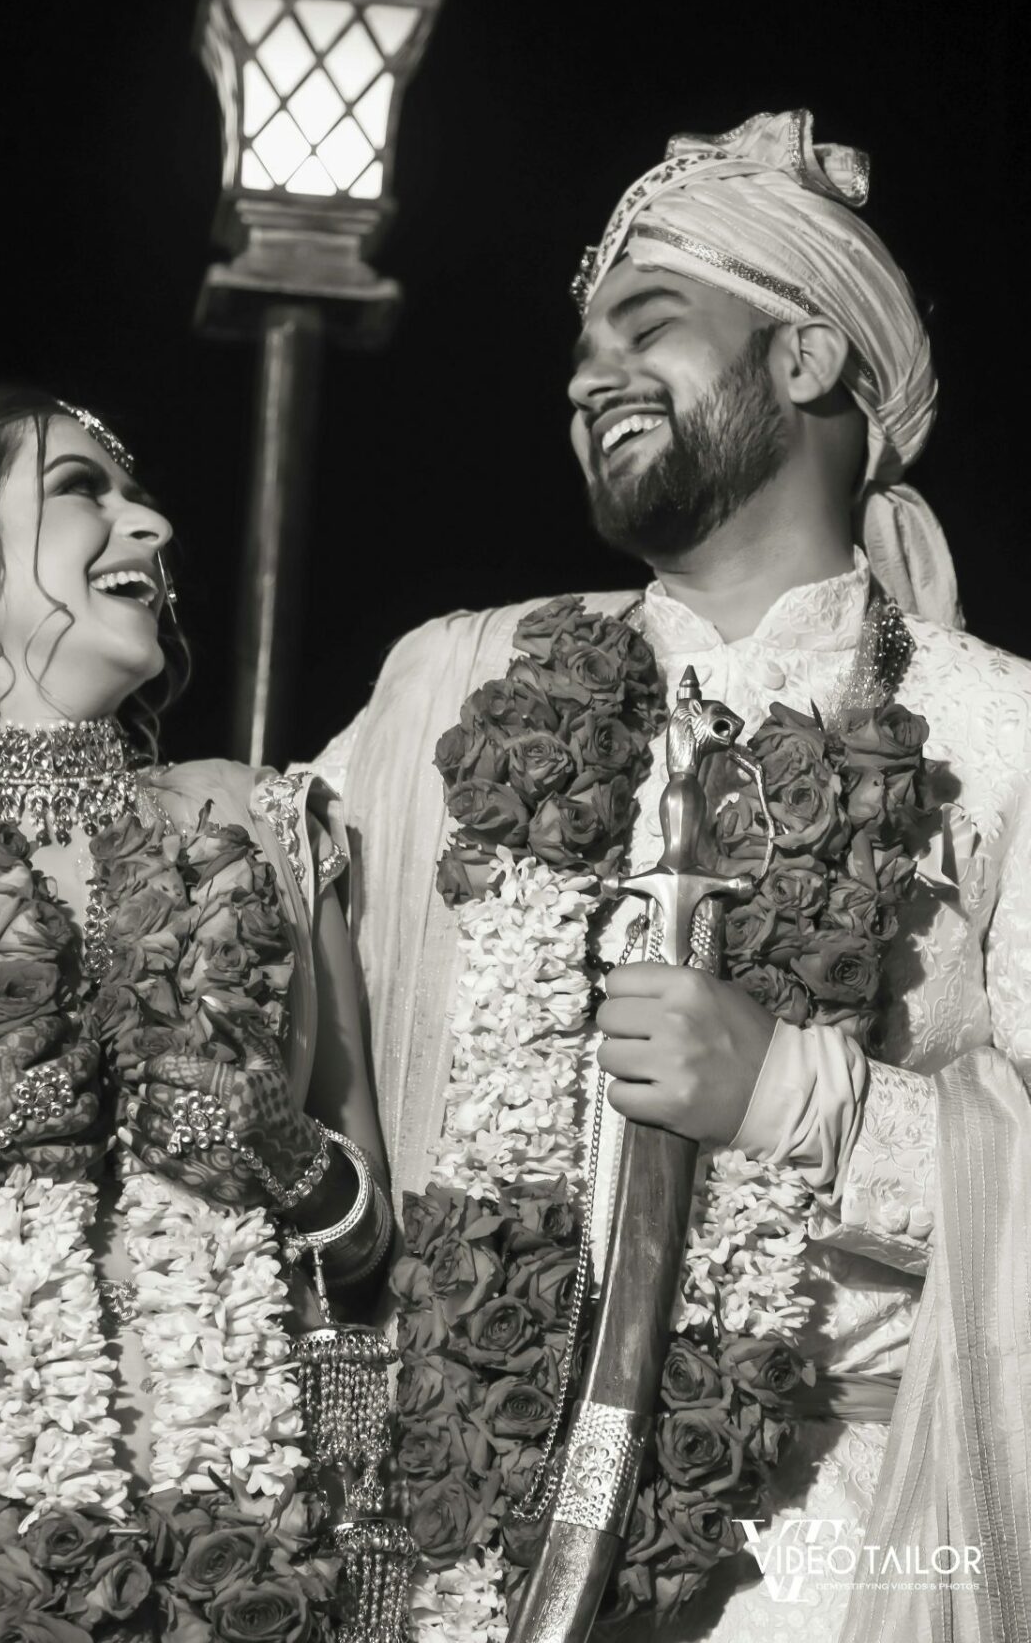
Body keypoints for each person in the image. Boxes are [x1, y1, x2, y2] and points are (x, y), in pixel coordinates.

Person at [311, 112, 1030, 1641]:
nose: (583, 378)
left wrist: (801, 1099)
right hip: (468, 1559)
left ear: (807, 359)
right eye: (580, 345)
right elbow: (240, 917)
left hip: (839, 1561)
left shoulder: (998, 740)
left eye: (647, 324)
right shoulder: (461, 689)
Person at [0, 388, 389, 1639]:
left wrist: (277, 1153)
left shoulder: (259, 828)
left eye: (135, 494)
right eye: (80, 491)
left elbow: (369, 1240)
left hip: (230, 1535)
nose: (145, 523)